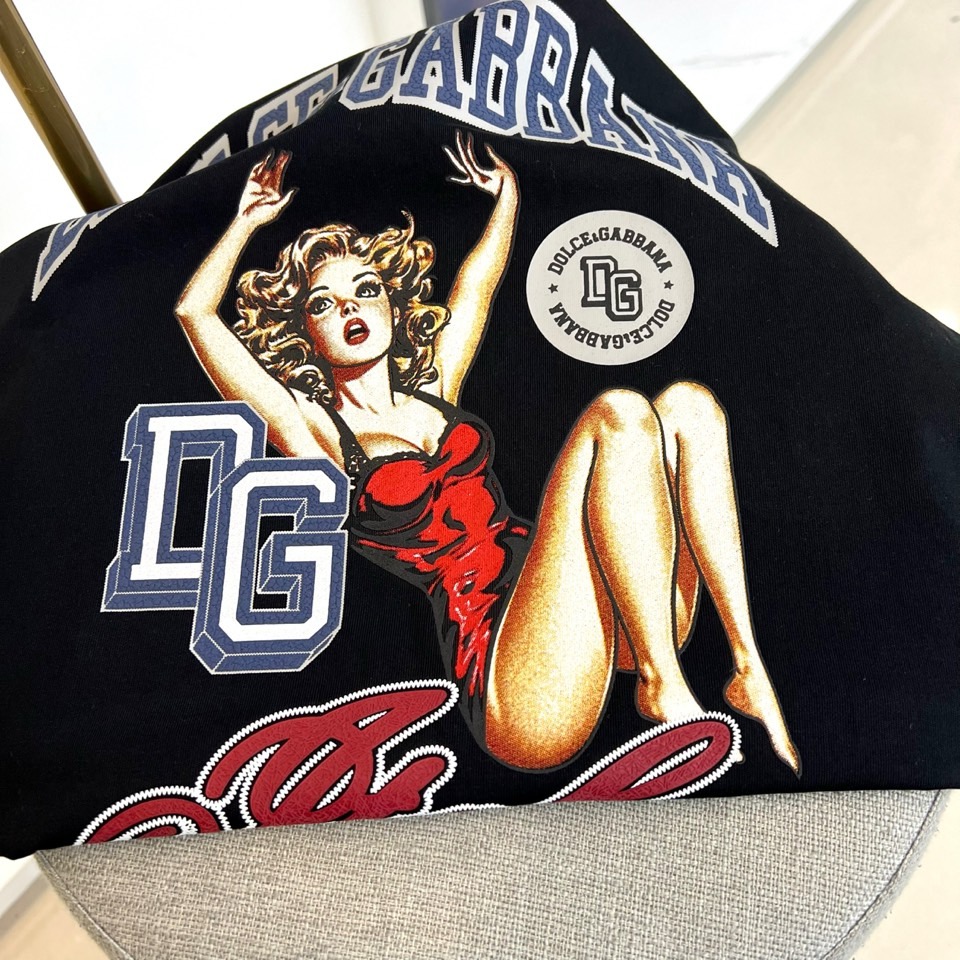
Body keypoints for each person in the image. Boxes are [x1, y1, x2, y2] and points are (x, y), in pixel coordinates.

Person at [175, 133, 799, 775]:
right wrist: (245, 221)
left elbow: (478, 283)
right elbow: (195, 313)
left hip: (601, 611)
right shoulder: (318, 433)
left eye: (365, 289)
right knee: (618, 414)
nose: (350, 308)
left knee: (690, 406)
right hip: (515, 680)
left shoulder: (434, 390)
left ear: (391, 303)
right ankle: (663, 683)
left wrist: (507, 196)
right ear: (304, 331)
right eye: (324, 305)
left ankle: (746, 666)